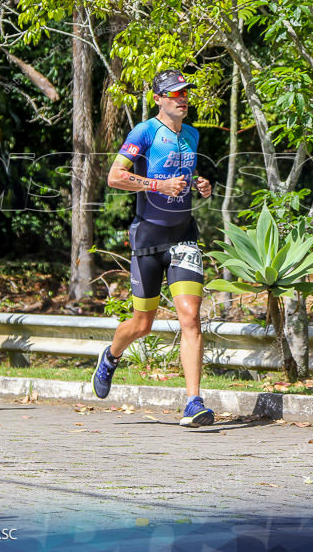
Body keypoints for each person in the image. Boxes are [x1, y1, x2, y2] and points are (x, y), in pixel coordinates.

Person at [92, 69, 215, 427]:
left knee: (190, 318)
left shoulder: (191, 134)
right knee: (142, 324)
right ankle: (111, 356)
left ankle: (193, 402)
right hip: (148, 236)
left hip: (184, 235)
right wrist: (158, 186)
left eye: (185, 92)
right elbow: (115, 176)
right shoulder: (144, 132)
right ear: (159, 99)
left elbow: (182, 179)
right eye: (175, 93)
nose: (183, 97)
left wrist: (199, 185)